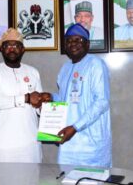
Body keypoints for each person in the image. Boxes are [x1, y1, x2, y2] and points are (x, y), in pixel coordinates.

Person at [0, 28, 49, 163]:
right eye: (8, 45)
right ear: (1, 49)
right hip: (4, 144)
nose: (12, 49)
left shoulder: (33, 72)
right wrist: (26, 98)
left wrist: (44, 103)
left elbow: (37, 108)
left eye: (16, 45)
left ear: (23, 49)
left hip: (31, 143)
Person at [53, 23, 112, 167]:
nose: (73, 44)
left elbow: (102, 102)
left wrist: (75, 127)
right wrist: (48, 97)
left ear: (87, 44)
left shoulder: (96, 64)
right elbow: (63, 100)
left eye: (78, 40)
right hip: (68, 146)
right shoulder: (65, 68)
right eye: (69, 40)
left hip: (91, 146)